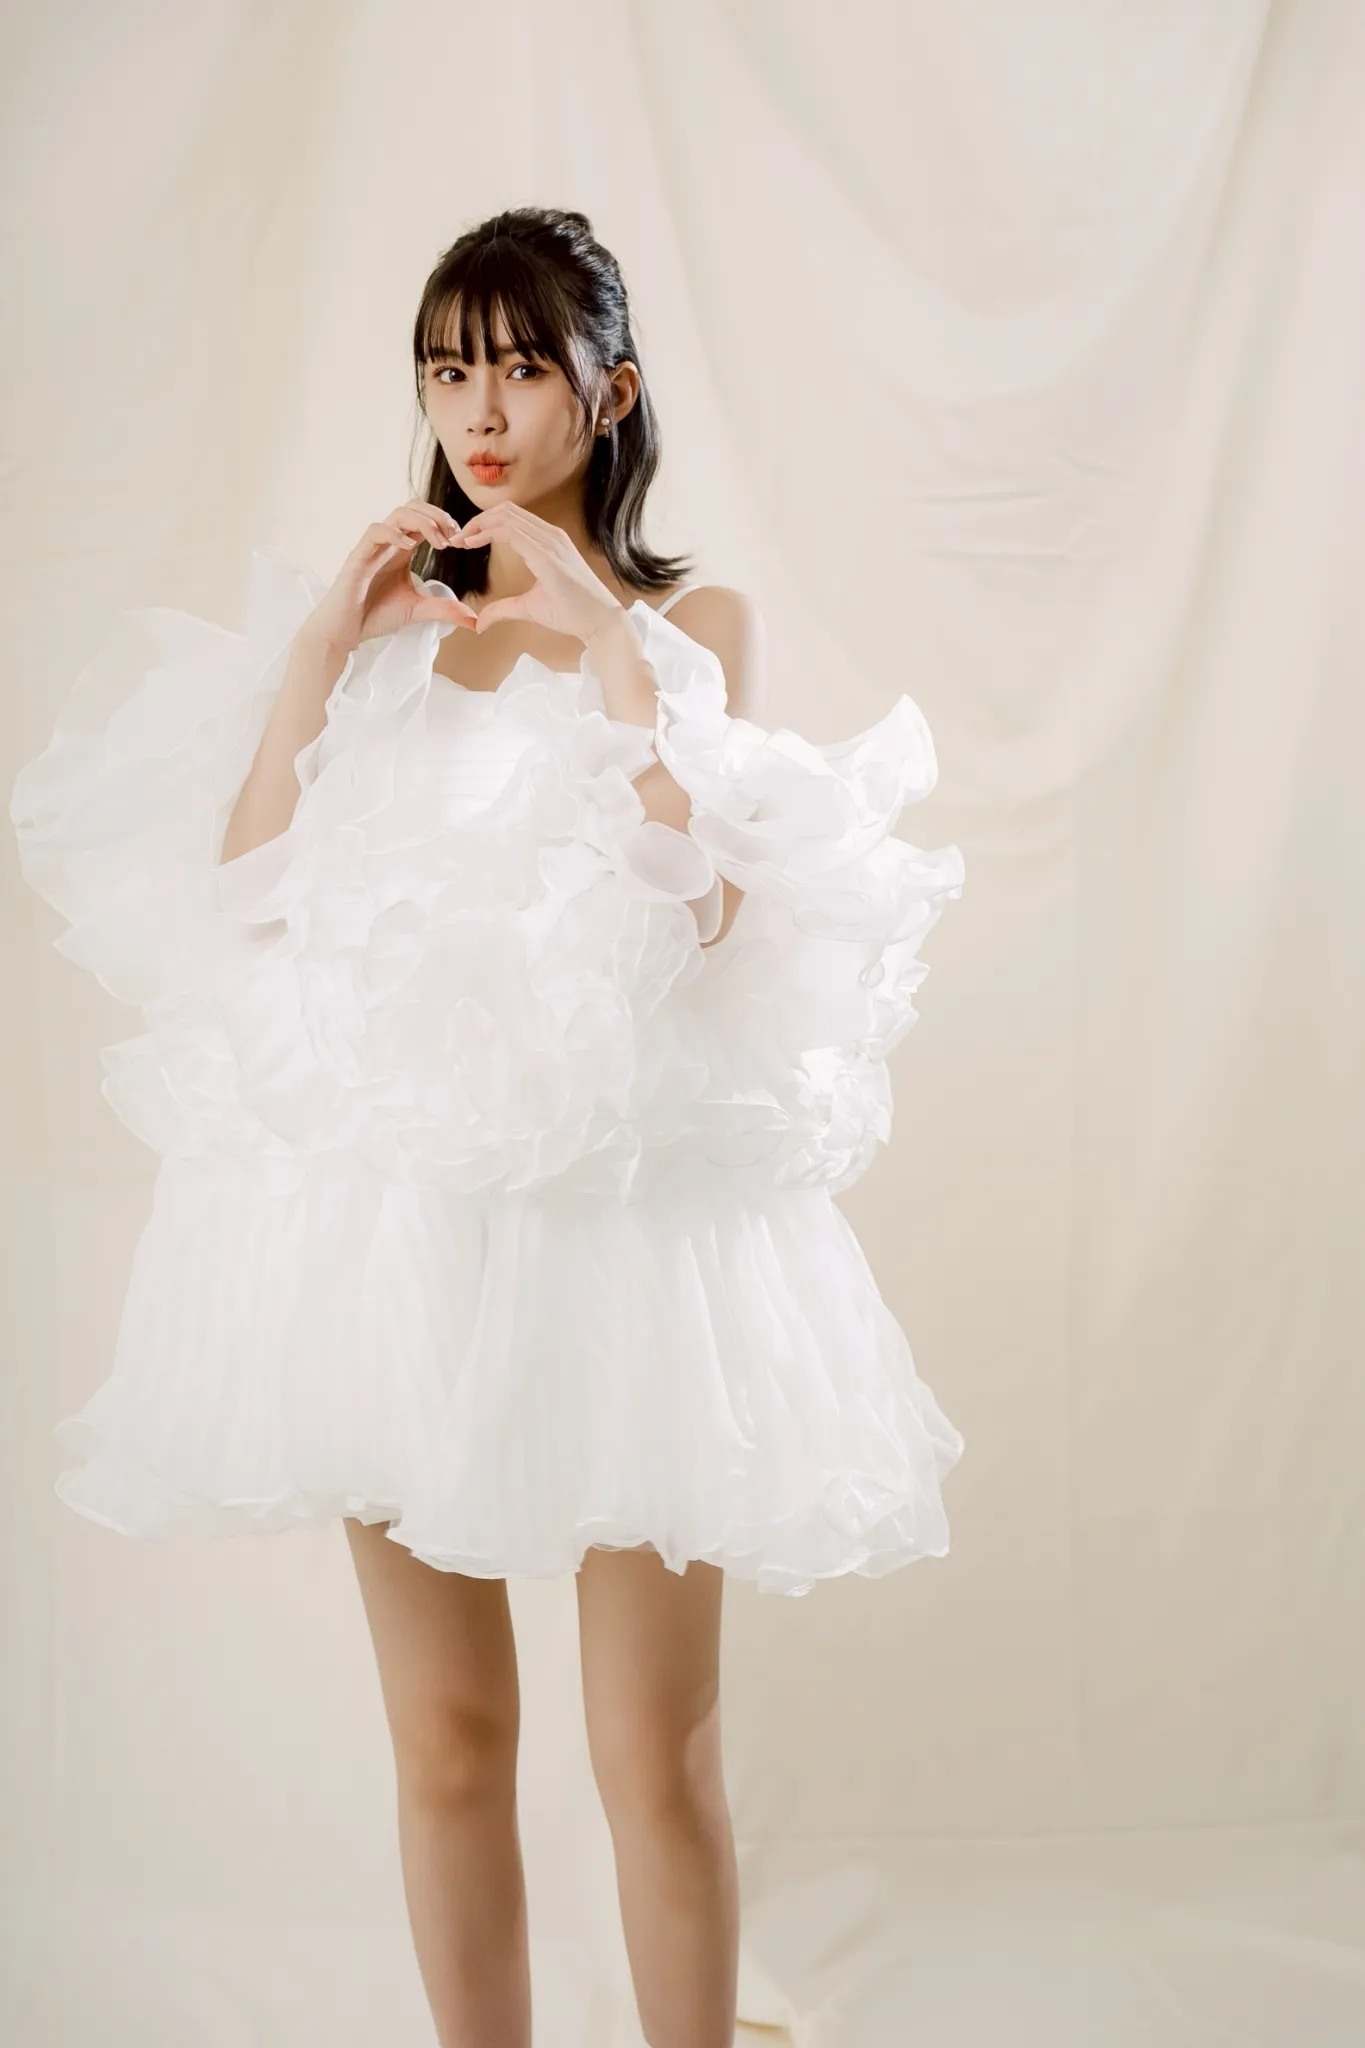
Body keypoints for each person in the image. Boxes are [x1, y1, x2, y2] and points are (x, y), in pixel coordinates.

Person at [10, 206, 966, 2047]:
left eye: (524, 366)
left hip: (626, 1238)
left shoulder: (695, 627)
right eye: (450, 370)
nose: (482, 412)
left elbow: (705, 903)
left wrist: (605, 641)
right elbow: (244, 900)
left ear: (613, 390)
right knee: (447, 1738)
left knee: (653, 1746)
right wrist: (324, 643)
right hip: (399, 1242)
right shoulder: (390, 639)